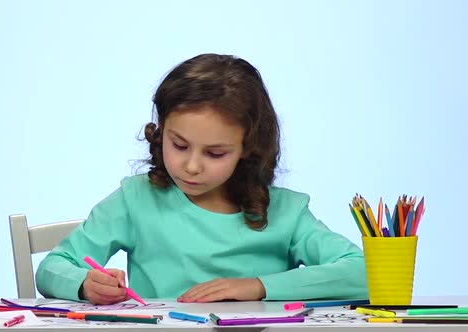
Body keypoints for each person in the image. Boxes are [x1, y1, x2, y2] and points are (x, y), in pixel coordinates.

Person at [36, 53, 368, 305]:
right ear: (162, 131)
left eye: (215, 153)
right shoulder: (136, 200)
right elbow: (53, 267)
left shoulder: (286, 212)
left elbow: (364, 274)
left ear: (247, 148)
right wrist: (85, 283)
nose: (192, 166)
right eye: (179, 145)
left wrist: (257, 286)